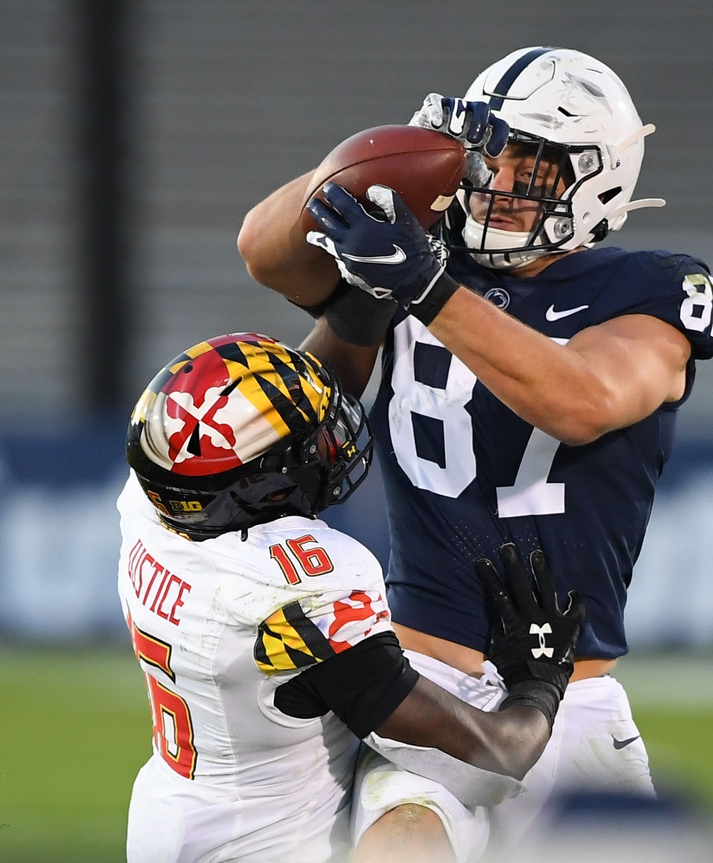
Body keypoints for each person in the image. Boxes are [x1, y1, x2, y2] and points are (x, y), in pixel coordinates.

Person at [237, 46, 713, 862]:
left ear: (597, 178)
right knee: (401, 845)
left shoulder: (648, 286)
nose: (498, 180)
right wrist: (376, 161)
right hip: (424, 683)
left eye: (531, 163)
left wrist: (428, 286)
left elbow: (582, 400)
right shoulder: (413, 253)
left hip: (573, 694)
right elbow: (263, 246)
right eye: (492, 153)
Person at [116, 332, 585, 863]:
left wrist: (367, 297)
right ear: (264, 487)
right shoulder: (288, 592)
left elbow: (250, 425)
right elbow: (494, 756)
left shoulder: (155, 510)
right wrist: (538, 680)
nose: (328, 443)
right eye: (310, 444)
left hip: (171, 821)